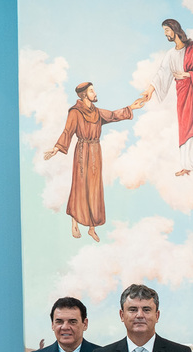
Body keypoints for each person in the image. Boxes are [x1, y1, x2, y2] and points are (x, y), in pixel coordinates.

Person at [44, 83, 143, 241]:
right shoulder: (75, 112)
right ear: (84, 95)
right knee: (80, 185)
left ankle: (91, 227)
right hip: (82, 152)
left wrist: (131, 107)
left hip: (96, 151)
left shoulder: (96, 112)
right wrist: (56, 148)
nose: (95, 93)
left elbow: (112, 115)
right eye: (91, 91)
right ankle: (74, 222)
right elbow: (68, 131)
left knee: (95, 188)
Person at [140, 19, 193, 177]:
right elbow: (162, 73)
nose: (165, 34)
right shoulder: (171, 54)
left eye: (167, 30)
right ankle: (187, 165)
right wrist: (150, 90)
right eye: (164, 31)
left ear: (175, 30)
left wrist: (189, 75)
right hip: (183, 95)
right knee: (186, 127)